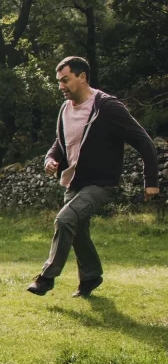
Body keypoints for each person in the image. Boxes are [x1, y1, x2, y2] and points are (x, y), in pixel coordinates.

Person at [27, 56, 159, 297]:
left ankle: (46, 278)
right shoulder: (65, 109)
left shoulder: (107, 107)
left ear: (82, 77)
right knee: (77, 231)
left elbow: (143, 141)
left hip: (101, 183)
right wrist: (50, 159)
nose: (61, 86)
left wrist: (150, 180)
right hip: (73, 182)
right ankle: (91, 277)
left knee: (65, 219)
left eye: (65, 80)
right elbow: (60, 141)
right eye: (59, 81)